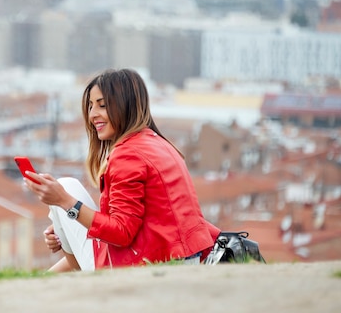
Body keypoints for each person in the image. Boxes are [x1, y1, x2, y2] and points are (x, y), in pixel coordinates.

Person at [23, 68, 221, 272]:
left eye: (102, 106)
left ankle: (72, 283)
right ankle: (42, 281)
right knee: (67, 199)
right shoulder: (160, 144)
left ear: (125, 106)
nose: (92, 115)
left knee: (66, 187)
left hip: (150, 265)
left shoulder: (127, 155)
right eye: (91, 106)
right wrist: (66, 227)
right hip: (182, 257)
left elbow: (121, 232)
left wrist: (64, 202)